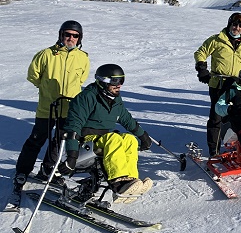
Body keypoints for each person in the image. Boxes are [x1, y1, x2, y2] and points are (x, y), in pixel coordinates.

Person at [13, 21, 90, 195]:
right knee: (36, 139)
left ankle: (48, 170)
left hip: (68, 108)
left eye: (75, 35)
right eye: (67, 34)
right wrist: (46, 89)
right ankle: (22, 172)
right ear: (61, 35)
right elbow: (33, 75)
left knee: (59, 142)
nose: (70, 38)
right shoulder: (46, 54)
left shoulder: (83, 57)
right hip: (47, 107)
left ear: (79, 38)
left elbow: (81, 79)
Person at [59, 64, 153, 203]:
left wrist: (142, 135)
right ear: (102, 81)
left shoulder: (115, 99)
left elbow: (126, 119)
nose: (119, 85)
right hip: (85, 142)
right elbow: (73, 126)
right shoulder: (87, 97)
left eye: (122, 80)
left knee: (129, 140)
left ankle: (131, 182)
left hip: (103, 139)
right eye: (115, 81)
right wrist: (72, 155)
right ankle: (118, 183)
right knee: (113, 139)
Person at [194, 12, 241, 157]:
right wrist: (202, 68)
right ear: (229, 24)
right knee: (216, 117)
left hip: (237, 85)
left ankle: (238, 147)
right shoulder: (217, 39)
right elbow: (200, 53)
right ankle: (214, 150)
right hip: (218, 84)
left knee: (239, 116)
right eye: (234, 24)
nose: (237, 28)